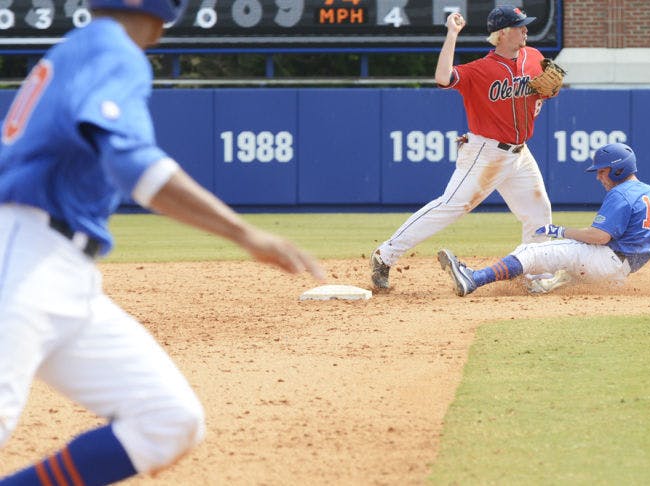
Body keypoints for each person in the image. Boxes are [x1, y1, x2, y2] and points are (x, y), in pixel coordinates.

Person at [0, 0, 325, 483]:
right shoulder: (114, 49)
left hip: (66, 270)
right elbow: (132, 165)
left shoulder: (87, 46)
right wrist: (244, 232)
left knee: (167, 420)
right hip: (23, 254)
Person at [370, 4, 560, 290]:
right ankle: (385, 255)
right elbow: (442, 78)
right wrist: (452, 34)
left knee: (538, 212)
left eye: (524, 25)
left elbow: (545, 90)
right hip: (486, 152)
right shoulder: (480, 70)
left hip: (520, 153)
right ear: (503, 32)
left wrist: (549, 93)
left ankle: (536, 277)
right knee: (451, 205)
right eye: (520, 26)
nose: (526, 30)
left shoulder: (534, 57)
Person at [437, 142, 650, 297]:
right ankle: (543, 284)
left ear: (620, 169)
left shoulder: (622, 194)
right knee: (557, 272)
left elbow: (600, 237)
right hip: (618, 276)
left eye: (603, 171)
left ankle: (473, 278)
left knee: (531, 250)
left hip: (604, 260)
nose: (599, 176)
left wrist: (560, 230)